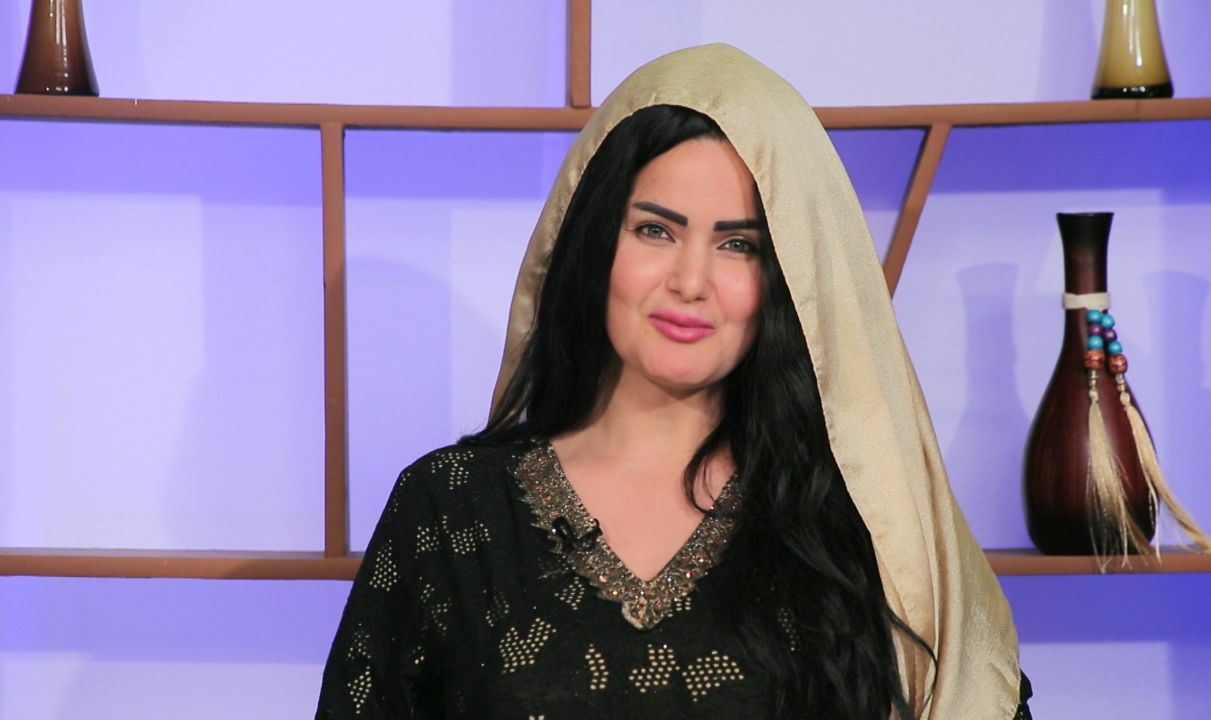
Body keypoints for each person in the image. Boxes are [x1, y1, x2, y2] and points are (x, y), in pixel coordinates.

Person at [317, 44, 1031, 718]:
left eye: (738, 244)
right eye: (655, 230)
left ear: (790, 278)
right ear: (594, 242)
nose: (691, 281)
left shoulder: (853, 526)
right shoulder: (450, 509)